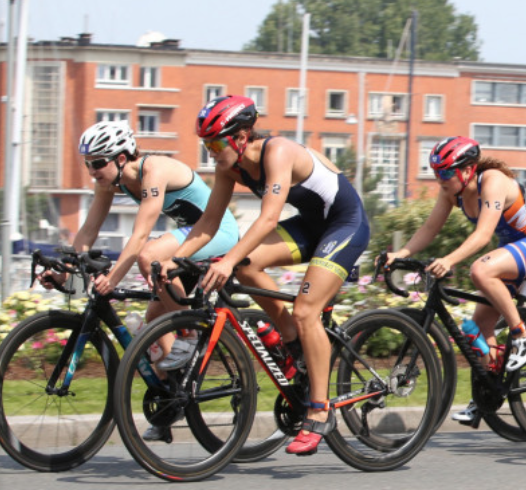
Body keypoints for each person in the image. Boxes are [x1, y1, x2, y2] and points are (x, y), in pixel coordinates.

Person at [169, 95, 371, 456]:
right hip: (311, 226)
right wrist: (174, 260)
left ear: (242, 135)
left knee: (307, 309)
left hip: (345, 224)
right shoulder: (228, 166)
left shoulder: (277, 151)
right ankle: (290, 336)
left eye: (215, 143)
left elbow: (266, 218)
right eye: (206, 144)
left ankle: (321, 411)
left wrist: (226, 261)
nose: (210, 151)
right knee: (247, 265)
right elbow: (208, 221)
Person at [45, 121, 241, 440]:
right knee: (152, 325)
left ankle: (189, 335)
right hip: (189, 238)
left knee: (149, 255)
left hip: (218, 232)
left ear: (122, 158)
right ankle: (170, 404)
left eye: (97, 163)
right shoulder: (110, 183)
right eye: (88, 163)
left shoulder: (155, 170)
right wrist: (63, 270)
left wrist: (112, 277)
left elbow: (141, 234)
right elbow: (88, 230)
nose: (92, 170)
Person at [384, 136, 526, 424]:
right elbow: (430, 228)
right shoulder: (451, 192)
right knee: (478, 328)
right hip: (513, 250)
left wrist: (449, 260)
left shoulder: (492, 180)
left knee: (480, 270)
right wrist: (400, 254)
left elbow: (482, 236)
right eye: (435, 172)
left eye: (444, 172)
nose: (439, 179)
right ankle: (486, 397)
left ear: (467, 170)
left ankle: (522, 333)